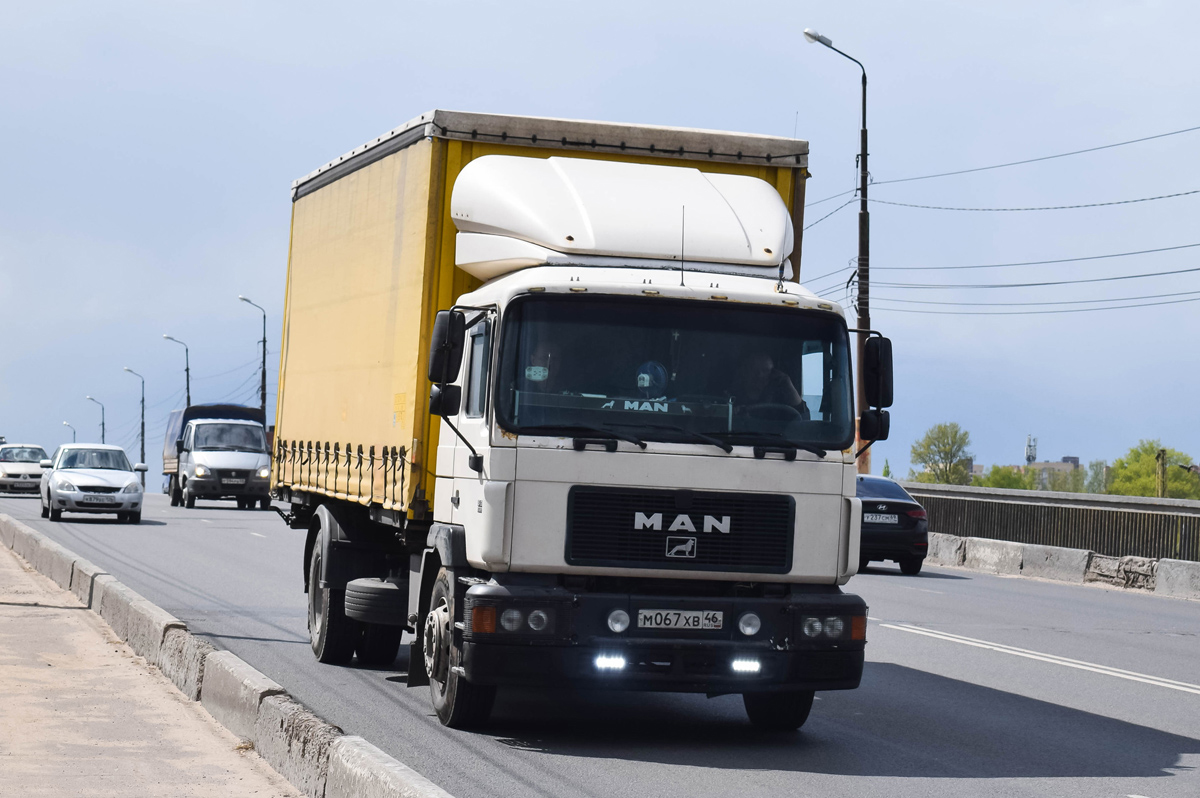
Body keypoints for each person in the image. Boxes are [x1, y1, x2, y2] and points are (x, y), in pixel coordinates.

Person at [729, 352, 810, 419]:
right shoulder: (732, 398)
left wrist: (788, 383)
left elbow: (804, 419)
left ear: (773, 373)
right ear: (745, 372)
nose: (760, 375)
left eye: (765, 370)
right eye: (754, 370)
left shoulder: (780, 399)